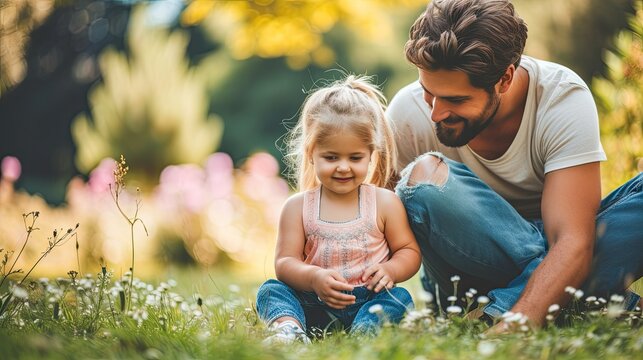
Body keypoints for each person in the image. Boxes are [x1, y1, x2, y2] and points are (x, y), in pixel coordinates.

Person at [386, 0, 642, 331]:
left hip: (563, 242)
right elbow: (375, 232)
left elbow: (572, 240)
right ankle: (578, 298)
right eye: (428, 92)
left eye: (456, 100)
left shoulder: (561, 98)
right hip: (463, 281)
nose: (435, 112)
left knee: (577, 243)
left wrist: (514, 326)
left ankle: (502, 308)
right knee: (423, 180)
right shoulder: (407, 114)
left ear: (505, 78)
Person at [256, 75, 421, 343]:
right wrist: (313, 278)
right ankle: (290, 330)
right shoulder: (297, 207)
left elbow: (408, 251)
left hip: (369, 300)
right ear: (311, 153)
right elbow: (285, 263)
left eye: (355, 158)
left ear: (371, 154)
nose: (343, 167)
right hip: (315, 303)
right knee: (271, 290)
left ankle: (365, 334)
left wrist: (391, 270)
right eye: (331, 157)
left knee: (399, 298)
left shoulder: (384, 202)